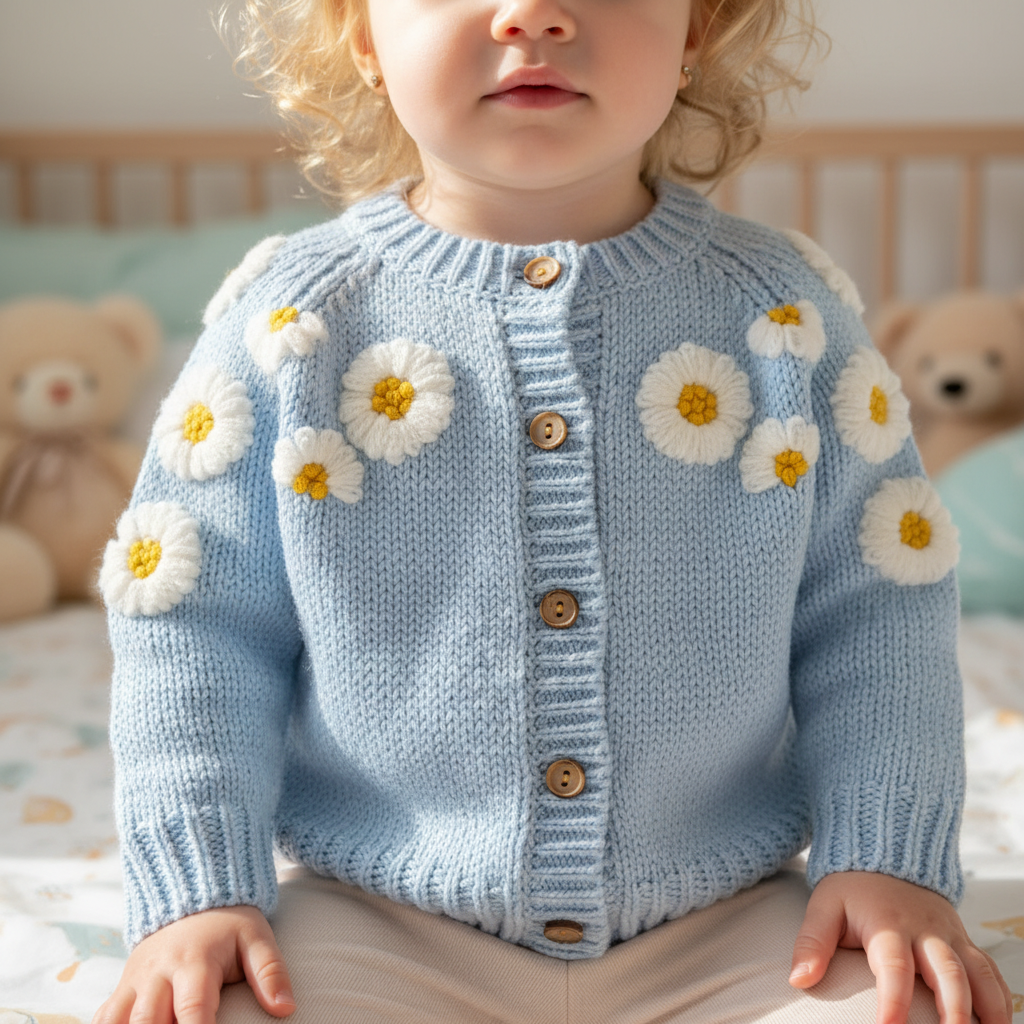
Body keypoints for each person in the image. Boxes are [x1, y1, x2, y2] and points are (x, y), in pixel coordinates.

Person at [93, 0, 1014, 1020]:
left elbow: (877, 613)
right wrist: (200, 891)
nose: (533, 11)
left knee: (918, 1003)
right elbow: (194, 630)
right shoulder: (289, 326)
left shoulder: (784, 315)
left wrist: (885, 859)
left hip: (731, 915)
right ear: (360, 33)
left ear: (696, 28)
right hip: (376, 916)